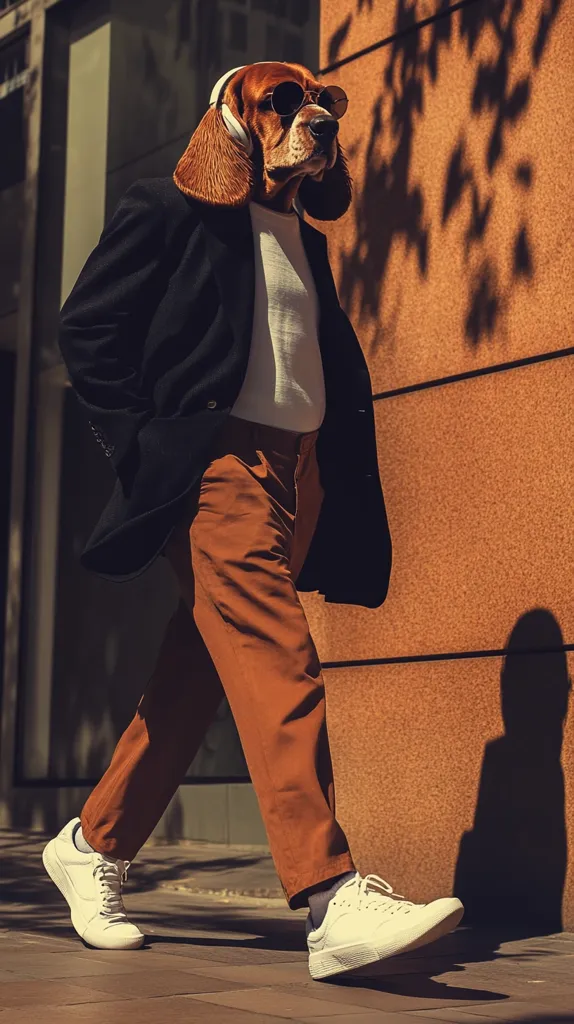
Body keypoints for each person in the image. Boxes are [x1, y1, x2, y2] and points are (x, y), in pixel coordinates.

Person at [42, 61, 463, 981]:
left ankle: (91, 845)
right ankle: (329, 896)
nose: (307, 116)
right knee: (279, 652)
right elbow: (88, 330)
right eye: (283, 102)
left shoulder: (303, 236)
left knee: (198, 673)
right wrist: (147, 449)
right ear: (232, 117)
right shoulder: (168, 209)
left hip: (297, 473)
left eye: (319, 106)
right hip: (218, 467)